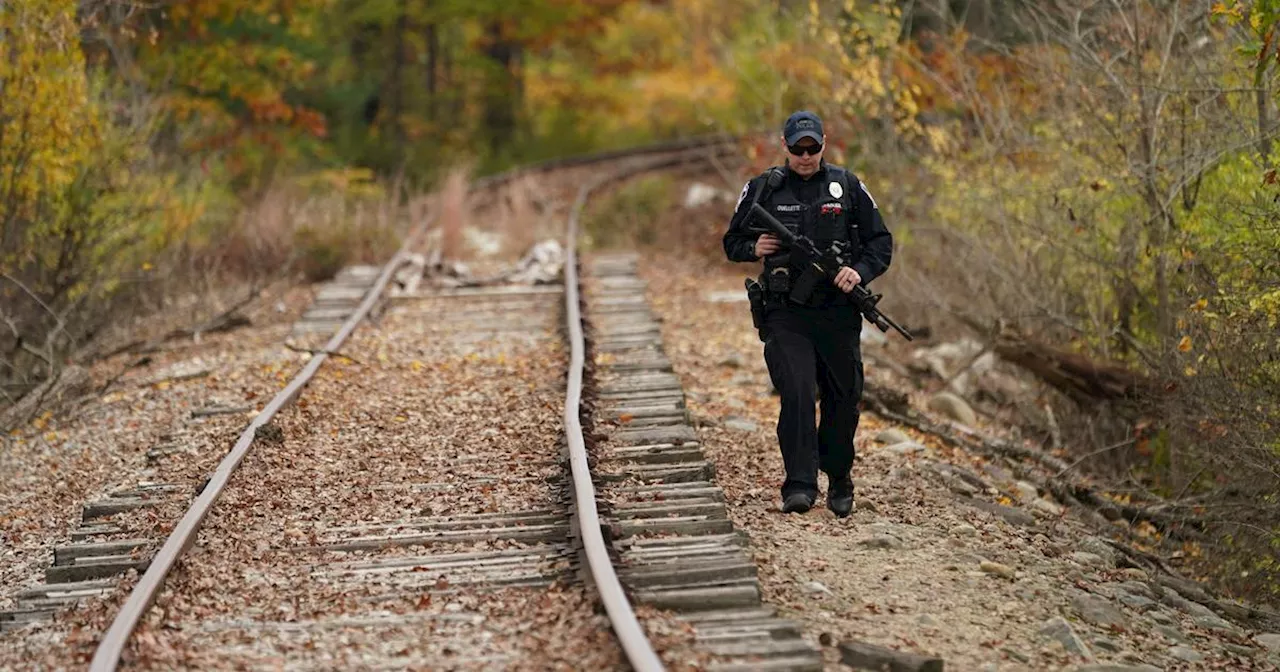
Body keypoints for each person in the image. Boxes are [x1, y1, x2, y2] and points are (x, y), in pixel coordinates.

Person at [722, 110, 893, 517]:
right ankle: (799, 484)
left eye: (812, 147)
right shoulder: (763, 188)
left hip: (837, 313)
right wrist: (753, 249)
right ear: (785, 145)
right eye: (797, 148)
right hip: (786, 313)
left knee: (842, 398)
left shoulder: (847, 186)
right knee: (797, 392)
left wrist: (859, 272)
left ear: (823, 143)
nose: (805, 155)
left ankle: (839, 479)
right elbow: (732, 242)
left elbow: (880, 243)